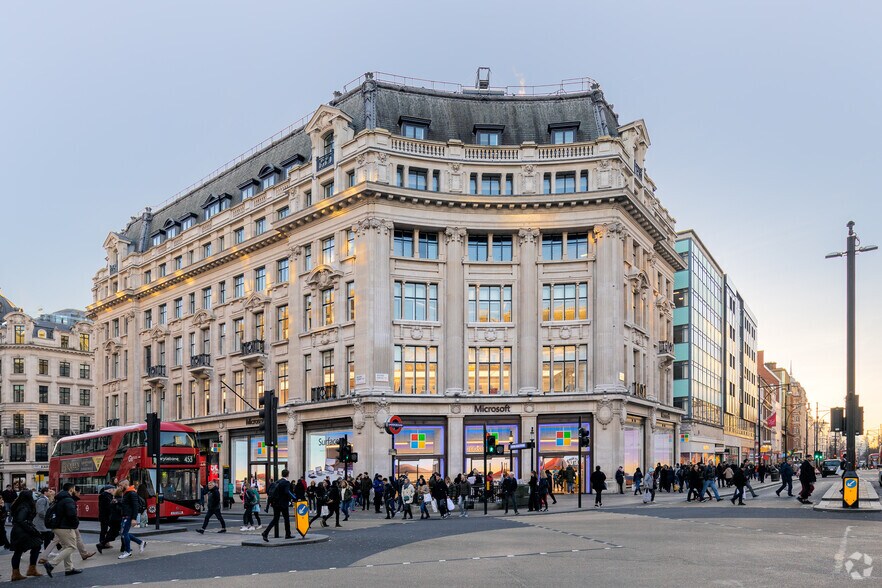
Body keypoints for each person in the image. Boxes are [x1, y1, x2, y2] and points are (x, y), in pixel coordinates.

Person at [43, 482, 83, 577]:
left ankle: (69, 569)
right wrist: (75, 523)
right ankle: (51, 564)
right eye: (74, 489)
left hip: (57, 526)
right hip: (65, 527)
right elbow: (71, 514)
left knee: (66, 547)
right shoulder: (68, 499)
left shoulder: (59, 498)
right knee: (72, 547)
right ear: (71, 489)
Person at [9, 487, 44, 580]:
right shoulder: (24, 506)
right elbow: (21, 520)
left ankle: (22, 571)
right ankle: (23, 571)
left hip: (19, 531)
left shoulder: (20, 504)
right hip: (23, 531)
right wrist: (31, 530)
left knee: (34, 546)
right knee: (32, 546)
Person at [262, 469, 296, 542]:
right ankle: (287, 534)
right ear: (288, 475)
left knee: (275, 519)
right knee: (286, 518)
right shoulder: (286, 482)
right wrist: (294, 498)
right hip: (283, 504)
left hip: (275, 503)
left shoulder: (277, 482)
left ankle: (265, 532)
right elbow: (287, 492)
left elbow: (268, 491)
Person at [117, 480, 145, 559]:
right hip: (125, 516)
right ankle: (140, 542)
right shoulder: (127, 493)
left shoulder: (132, 493)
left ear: (126, 484)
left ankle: (128, 551)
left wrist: (134, 518)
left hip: (128, 516)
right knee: (123, 533)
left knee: (124, 533)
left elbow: (135, 507)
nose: (120, 487)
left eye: (121, 485)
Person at [95, 485, 116, 552]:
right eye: (113, 490)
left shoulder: (105, 496)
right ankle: (103, 543)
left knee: (104, 530)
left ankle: (104, 542)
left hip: (105, 516)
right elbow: (108, 507)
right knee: (105, 530)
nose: (114, 491)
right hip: (106, 516)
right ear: (109, 490)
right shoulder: (105, 496)